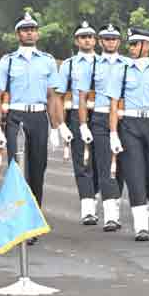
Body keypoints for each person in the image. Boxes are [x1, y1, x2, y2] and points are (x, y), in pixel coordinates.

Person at [0, 12, 66, 236]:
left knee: (38, 169)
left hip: (39, 117)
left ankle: (33, 217)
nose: (29, 33)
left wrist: (55, 127)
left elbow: (53, 96)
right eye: (25, 30)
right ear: (18, 34)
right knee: (18, 169)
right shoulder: (9, 61)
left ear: (38, 33)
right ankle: (21, 221)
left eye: (33, 29)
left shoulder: (47, 60)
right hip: (16, 118)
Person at [106, 28, 149, 241]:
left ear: (147, 45)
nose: (132, 48)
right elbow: (114, 104)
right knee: (135, 174)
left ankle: (147, 205)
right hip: (130, 125)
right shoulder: (122, 71)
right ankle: (141, 226)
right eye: (131, 44)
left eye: (136, 44)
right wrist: (113, 133)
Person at [79, 23, 128, 231]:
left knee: (123, 167)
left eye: (113, 39)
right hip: (100, 118)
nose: (110, 42)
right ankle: (110, 216)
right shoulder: (92, 66)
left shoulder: (128, 64)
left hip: (125, 118)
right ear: (101, 42)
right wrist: (82, 124)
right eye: (106, 39)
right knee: (106, 166)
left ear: (119, 42)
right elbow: (82, 97)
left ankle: (114, 205)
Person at [58, 20, 101, 224]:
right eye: (83, 37)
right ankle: (87, 207)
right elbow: (59, 96)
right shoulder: (69, 65)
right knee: (82, 161)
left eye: (91, 37)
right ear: (77, 41)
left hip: (101, 114)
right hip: (77, 114)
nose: (87, 40)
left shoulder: (104, 63)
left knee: (101, 159)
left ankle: (96, 195)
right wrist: (60, 124)